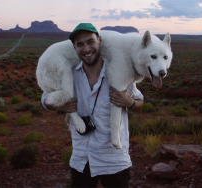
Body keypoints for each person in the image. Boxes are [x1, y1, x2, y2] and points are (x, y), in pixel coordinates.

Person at [41, 23, 144, 188]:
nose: (86, 48)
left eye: (90, 42)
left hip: (114, 161)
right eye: (80, 44)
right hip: (82, 159)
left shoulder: (119, 73)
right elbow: (45, 99)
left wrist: (130, 103)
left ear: (100, 41)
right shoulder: (70, 75)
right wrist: (59, 105)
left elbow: (140, 101)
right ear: (74, 48)